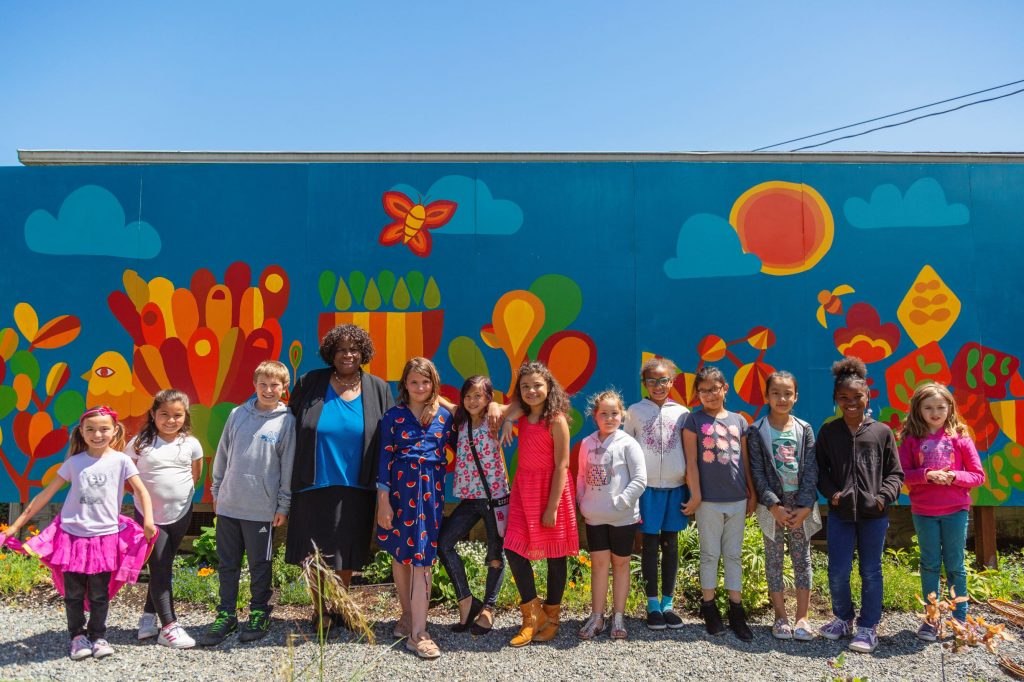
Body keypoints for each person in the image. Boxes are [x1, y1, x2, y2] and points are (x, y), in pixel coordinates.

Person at [0, 406, 156, 660]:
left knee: (99, 594)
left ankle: (98, 636)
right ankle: (77, 636)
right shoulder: (74, 463)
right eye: (90, 429)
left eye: (104, 429)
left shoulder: (122, 461)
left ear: (114, 431)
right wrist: (15, 527)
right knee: (73, 594)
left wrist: (148, 520)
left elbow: (141, 491)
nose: (97, 434)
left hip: (105, 538)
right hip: (71, 538)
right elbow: (45, 495)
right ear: (81, 432)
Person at [285, 323, 394, 634]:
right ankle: (320, 610)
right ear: (331, 354)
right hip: (313, 481)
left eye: (354, 349)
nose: (348, 355)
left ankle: (339, 605)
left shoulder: (378, 388)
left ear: (363, 353)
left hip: (358, 484)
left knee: (346, 549)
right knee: (314, 550)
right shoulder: (310, 382)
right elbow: (286, 420)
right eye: (341, 349)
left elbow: (392, 430)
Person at [203, 360, 296, 646]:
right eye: (263, 384)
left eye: (274, 385)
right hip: (230, 503)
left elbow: (288, 466)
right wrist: (217, 490)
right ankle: (226, 614)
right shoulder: (237, 414)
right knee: (228, 563)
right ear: (254, 385)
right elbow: (223, 453)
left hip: (261, 509)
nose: (268, 390)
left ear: (284, 388)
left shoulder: (286, 421)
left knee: (260, 564)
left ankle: (259, 612)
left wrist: (283, 504)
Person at [816, 357, 904, 654]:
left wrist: (882, 498)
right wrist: (833, 494)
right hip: (840, 514)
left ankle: (868, 626)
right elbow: (820, 471)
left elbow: (895, 473)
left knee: (871, 570)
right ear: (836, 399)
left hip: (874, 515)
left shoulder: (882, 432)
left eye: (857, 396)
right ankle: (843, 618)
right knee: (838, 570)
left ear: (868, 397)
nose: (851, 402)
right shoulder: (829, 432)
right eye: (844, 397)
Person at [376, 357, 453, 660]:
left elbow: (472, 430)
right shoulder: (393, 416)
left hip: (430, 493)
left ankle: (419, 633)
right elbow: (384, 459)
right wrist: (383, 502)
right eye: (414, 382)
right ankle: (408, 614)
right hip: (399, 492)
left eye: (426, 381)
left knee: (423, 557)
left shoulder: (445, 417)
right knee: (401, 554)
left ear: (434, 384)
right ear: (405, 385)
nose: (420, 387)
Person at [898, 382, 985, 640]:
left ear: (950, 408)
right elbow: (902, 474)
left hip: (955, 511)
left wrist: (954, 476)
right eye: (928, 408)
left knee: (955, 565)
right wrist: (927, 475)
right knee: (930, 564)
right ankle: (932, 618)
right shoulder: (911, 439)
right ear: (918, 409)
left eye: (940, 407)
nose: (935, 413)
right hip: (924, 511)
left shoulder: (960, 437)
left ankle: (960, 619)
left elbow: (978, 476)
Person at [503, 361, 579, 647]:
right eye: (525, 386)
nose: (532, 391)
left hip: (551, 492)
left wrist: (552, 507)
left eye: (537, 385)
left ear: (549, 387)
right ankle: (532, 614)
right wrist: (508, 419)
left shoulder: (556, 420)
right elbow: (501, 409)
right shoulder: (522, 415)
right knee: (513, 548)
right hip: (525, 491)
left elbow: (562, 465)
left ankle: (552, 616)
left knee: (556, 555)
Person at [682, 365, 756, 641]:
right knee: (710, 555)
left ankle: (736, 610)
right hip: (708, 502)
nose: (709, 395)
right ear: (697, 394)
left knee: (733, 555)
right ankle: (709, 607)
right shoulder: (693, 420)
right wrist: (696, 494)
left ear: (725, 388)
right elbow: (691, 462)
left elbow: (745, 461)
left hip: (737, 499)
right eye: (703, 391)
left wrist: (752, 493)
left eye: (714, 389)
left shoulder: (739, 421)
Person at [747, 371, 821, 641]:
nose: (782, 398)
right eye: (776, 393)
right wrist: (773, 505)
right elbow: (757, 472)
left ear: (796, 397)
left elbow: (811, 469)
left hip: (801, 505)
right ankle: (780, 616)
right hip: (772, 507)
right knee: (774, 559)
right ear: (766, 396)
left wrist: (805, 505)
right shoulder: (756, 430)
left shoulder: (804, 429)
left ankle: (802, 617)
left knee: (803, 559)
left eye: (787, 393)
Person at [128, 389, 204, 649]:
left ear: (185, 416)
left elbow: (195, 475)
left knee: (164, 564)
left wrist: (176, 496)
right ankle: (169, 627)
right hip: (150, 517)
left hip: (181, 513)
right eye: (164, 414)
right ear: (153, 414)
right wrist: (147, 502)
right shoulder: (139, 443)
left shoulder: (191, 444)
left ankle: (148, 617)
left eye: (177, 415)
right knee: (159, 566)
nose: (171, 420)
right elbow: (128, 478)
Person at [437, 375, 510, 637]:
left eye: (478, 396)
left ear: (488, 397)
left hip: (495, 499)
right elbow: (441, 400)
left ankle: (488, 608)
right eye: (467, 396)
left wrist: (497, 406)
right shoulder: (461, 418)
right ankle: (467, 601)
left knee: (495, 555)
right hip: (470, 500)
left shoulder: (494, 417)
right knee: (443, 544)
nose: (472, 401)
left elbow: (518, 407)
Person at [624, 357, 689, 630]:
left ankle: (668, 604)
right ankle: (652, 605)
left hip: (676, 488)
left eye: (663, 380)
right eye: (652, 381)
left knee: (671, 544)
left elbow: (690, 451)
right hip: (646, 488)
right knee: (649, 545)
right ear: (644, 384)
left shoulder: (683, 413)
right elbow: (626, 449)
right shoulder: (634, 412)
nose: (658, 386)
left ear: (672, 382)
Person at [576, 389, 647, 640]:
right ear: (594, 416)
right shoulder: (587, 444)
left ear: (622, 415)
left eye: (614, 413)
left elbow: (640, 479)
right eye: (604, 414)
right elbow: (581, 476)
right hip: (595, 517)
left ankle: (618, 616)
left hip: (622, 518)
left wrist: (622, 502)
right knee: (598, 565)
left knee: (621, 564)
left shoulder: (628, 443)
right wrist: (583, 502)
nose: (609, 418)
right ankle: (597, 617)